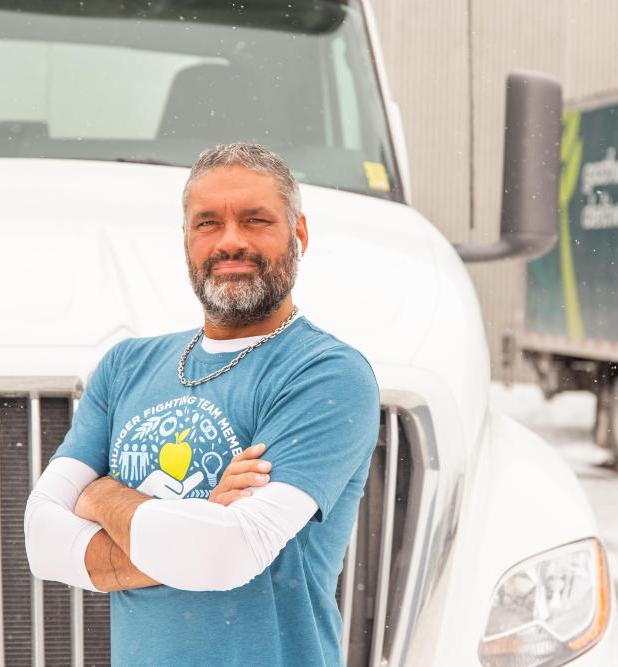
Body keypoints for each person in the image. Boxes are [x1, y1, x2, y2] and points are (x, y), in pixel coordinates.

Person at [24, 143, 380, 666]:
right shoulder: (126, 366)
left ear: (298, 234)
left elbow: (227, 555)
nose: (230, 241)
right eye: (208, 223)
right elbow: (42, 541)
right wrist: (201, 518)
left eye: (256, 221)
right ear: (187, 239)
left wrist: (102, 498)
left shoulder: (327, 373)